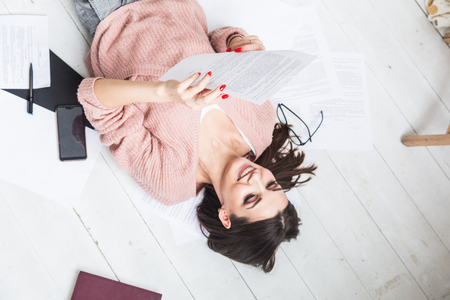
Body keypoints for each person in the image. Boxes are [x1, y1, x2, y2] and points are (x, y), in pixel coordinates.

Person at [75, 0, 316, 272]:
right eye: (271, 186)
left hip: (117, 21)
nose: (256, 178)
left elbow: (93, 97)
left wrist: (164, 92)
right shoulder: (261, 125)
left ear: (226, 216)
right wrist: (239, 43)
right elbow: (219, 39)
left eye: (251, 198)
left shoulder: (171, 182)